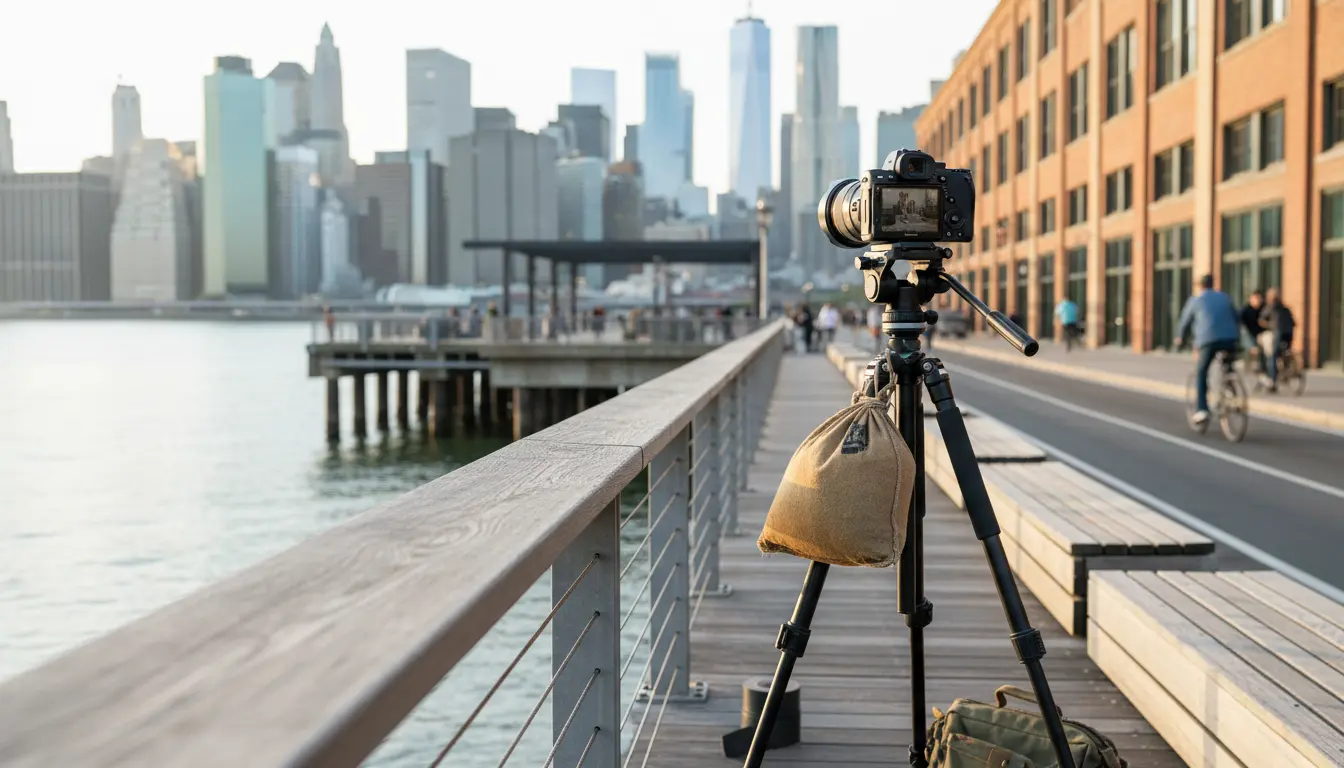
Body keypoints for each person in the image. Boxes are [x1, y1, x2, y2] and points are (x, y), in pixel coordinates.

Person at [1175, 274, 1242, 425]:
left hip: (1208, 340)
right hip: (1230, 339)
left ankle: (1202, 410)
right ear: (1213, 284)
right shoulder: (1225, 297)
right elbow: (1236, 317)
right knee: (1228, 366)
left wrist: (1179, 338)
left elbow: (1185, 321)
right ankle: (1232, 391)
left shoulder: (1196, 300)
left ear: (1200, 286)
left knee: (1202, 372)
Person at [1259, 287, 1297, 392]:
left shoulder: (1271, 307)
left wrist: (1268, 325)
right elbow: (1293, 323)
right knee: (1284, 352)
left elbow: (1261, 320)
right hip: (1288, 334)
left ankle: (1272, 380)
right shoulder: (1286, 308)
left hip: (1278, 334)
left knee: (1272, 356)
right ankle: (1286, 368)